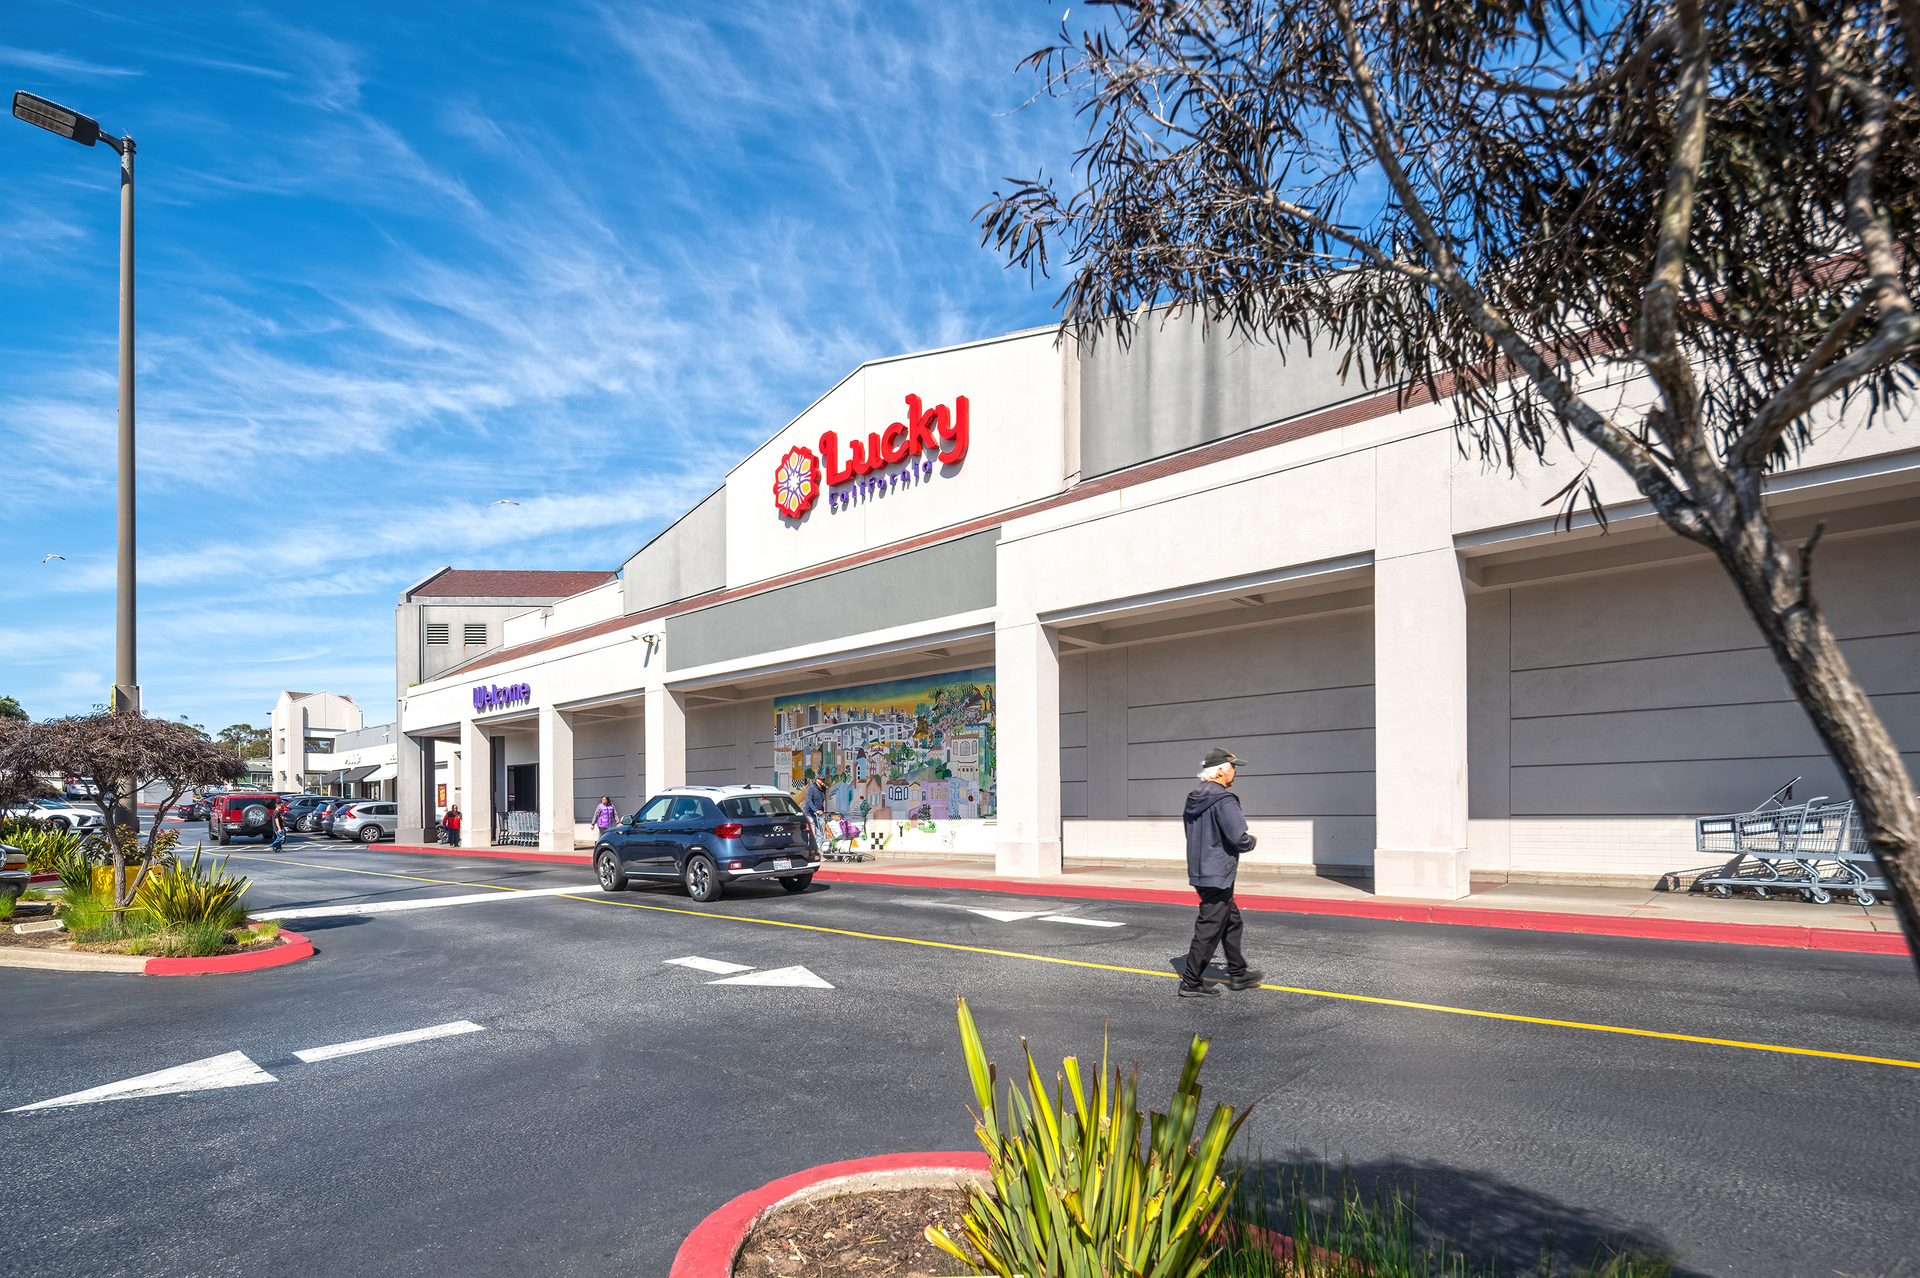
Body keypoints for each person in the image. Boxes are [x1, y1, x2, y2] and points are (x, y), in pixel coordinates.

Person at [1178, 747, 1263, 998]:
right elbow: (1239, 839)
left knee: (1231, 920)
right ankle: (1191, 982)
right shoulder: (1225, 800)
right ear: (1220, 771)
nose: (1235, 772)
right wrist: (1252, 840)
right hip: (1219, 873)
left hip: (1200, 870)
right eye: (1233, 767)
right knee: (1209, 927)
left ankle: (1238, 973)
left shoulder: (1193, 798)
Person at [803, 771, 830, 847]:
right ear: (817, 780)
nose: (823, 781)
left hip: (819, 813)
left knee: (820, 832)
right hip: (810, 813)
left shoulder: (823, 789)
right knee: (813, 831)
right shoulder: (811, 788)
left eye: (824, 779)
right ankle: (812, 847)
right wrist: (815, 810)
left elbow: (822, 800)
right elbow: (809, 800)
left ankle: (819, 849)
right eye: (821, 780)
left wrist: (822, 810)